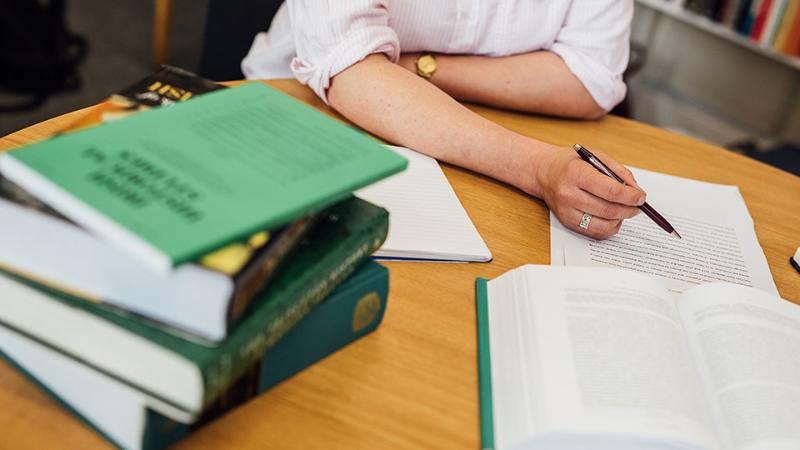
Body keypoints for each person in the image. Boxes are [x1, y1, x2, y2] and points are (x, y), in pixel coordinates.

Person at [242, 0, 646, 239]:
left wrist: (418, 66)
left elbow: (591, 80)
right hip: (301, 115)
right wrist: (539, 167)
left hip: (472, 143)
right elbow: (347, 65)